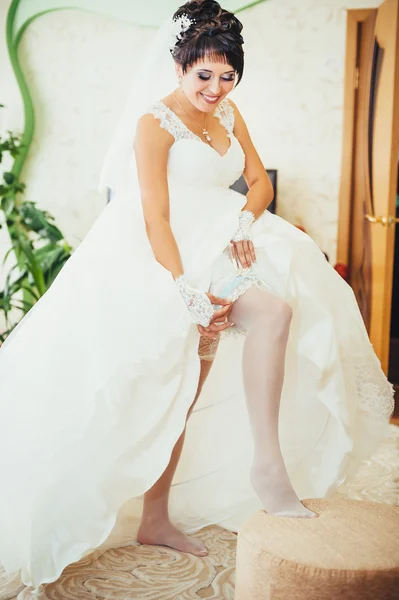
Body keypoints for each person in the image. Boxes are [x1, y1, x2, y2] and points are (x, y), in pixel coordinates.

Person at [0, 0, 394, 597]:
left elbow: (258, 183)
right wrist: (182, 288)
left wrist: (242, 223)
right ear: (180, 65)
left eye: (227, 75)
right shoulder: (153, 124)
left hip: (225, 241)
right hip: (159, 259)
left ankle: (261, 471)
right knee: (170, 390)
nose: (216, 87)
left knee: (263, 324)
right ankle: (153, 513)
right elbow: (155, 214)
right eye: (204, 74)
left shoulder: (232, 115)